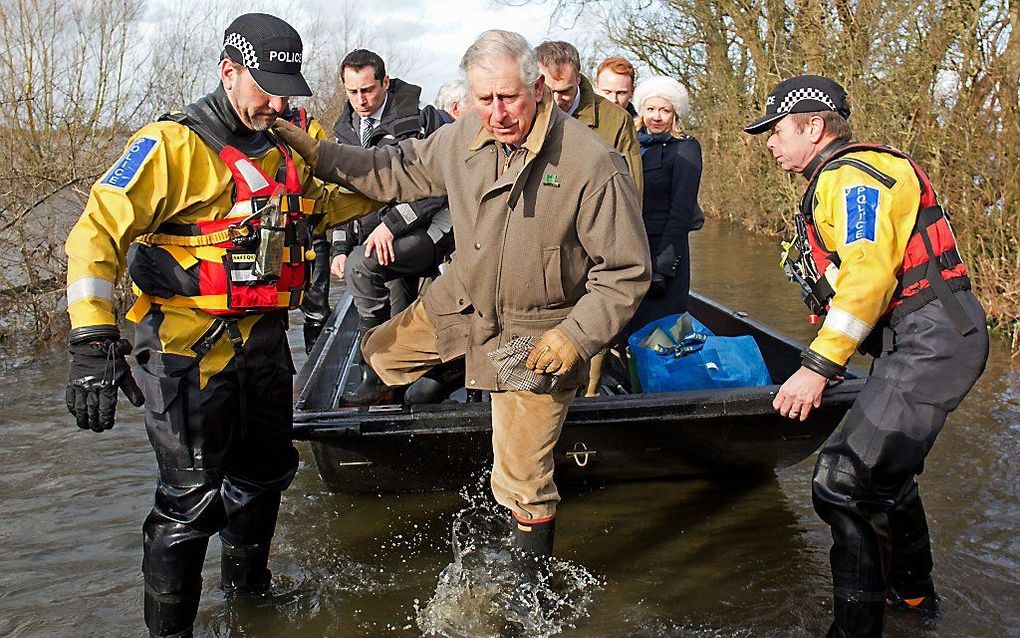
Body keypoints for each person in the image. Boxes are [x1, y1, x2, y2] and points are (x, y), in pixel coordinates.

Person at [274, 29, 649, 558]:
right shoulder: (463, 137)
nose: (496, 114)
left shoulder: (593, 166)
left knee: (521, 478)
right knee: (376, 355)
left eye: (508, 98)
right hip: (461, 302)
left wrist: (575, 337)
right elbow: (392, 169)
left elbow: (627, 274)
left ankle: (529, 586)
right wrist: (321, 156)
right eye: (484, 99)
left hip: (535, 335)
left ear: (537, 88)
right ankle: (447, 374)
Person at [63, 14, 378, 637]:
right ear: (228, 72)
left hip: (265, 343)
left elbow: (335, 200)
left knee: (264, 476)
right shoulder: (170, 146)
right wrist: (92, 339)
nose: (280, 101)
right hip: (186, 353)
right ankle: (171, 631)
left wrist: (414, 178)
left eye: (288, 86)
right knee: (189, 501)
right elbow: (94, 233)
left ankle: (252, 602)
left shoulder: (291, 144)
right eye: (267, 86)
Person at [744, 75, 988, 637]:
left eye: (777, 130)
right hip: (921, 339)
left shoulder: (853, 179)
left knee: (841, 482)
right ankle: (913, 599)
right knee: (883, 479)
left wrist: (817, 367)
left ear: (813, 127)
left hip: (933, 339)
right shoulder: (838, 179)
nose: (769, 142)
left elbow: (868, 277)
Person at [327, 49, 455, 404]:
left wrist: (392, 226)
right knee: (398, 311)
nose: (361, 101)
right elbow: (343, 196)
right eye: (352, 93)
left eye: (367, 90)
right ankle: (403, 379)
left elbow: (441, 184)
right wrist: (338, 245)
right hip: (384, 238)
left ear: (385, 82)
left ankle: (376, 374)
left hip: (432, 231)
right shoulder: (345, 132)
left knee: (362, 266)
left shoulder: (425, 121)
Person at [627, 76, 703, 334]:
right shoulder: (631, 145)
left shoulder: (686, 149)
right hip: (631, 247)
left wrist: (663, 265)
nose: (656, 117)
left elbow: (681, 210)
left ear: (675, 114)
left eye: (664, 110)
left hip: (664, 251)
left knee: (660, 332)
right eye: (650, 109)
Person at [535, 40, 642, 195]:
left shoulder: (617, 120)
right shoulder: (523, 111)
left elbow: (631, 189)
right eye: (549, 91)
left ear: (578, 78)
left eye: (565, 91)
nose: (556, 101)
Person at [283, 106, 335, 352]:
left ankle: (314, 364)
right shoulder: (243, 129)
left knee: (316, 309)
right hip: (267, 236)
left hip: (310, 235)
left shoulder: (309, 129)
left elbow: (331, 180)